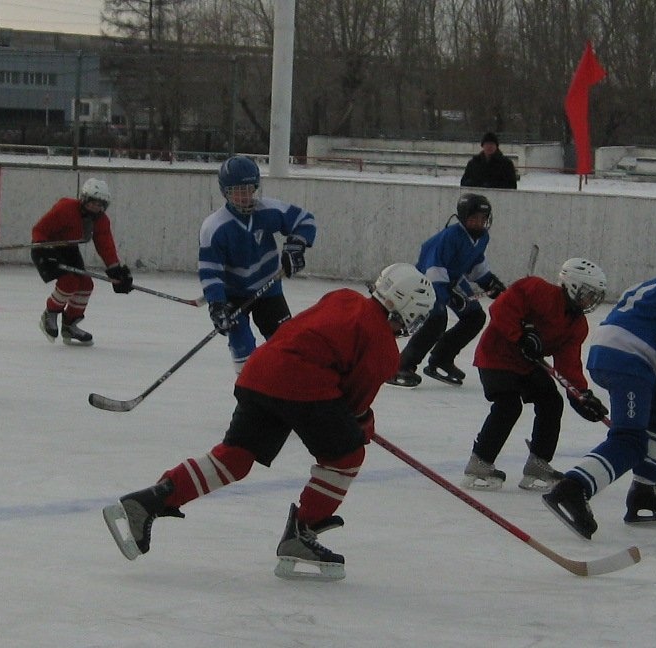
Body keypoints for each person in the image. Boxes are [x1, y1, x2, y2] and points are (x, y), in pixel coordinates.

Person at [102, 263, 436, 581]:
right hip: (302, 385)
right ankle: (303, 531)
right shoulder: (383, 346)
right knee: (346, 457)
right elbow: (354, 405)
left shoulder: (344, 297)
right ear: (407, 307)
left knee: (235, 457)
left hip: (259, 371)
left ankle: (149, 501)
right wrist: (362, 427)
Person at [543, 233, 656, 539]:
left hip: (611, 356)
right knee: (630, 440)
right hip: (631, 363)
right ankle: (573, 488)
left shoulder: (653, 284)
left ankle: (643, 492)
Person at [462, 258, 610, 491]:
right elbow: (500, 308)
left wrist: (582, 396)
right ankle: (480, 461)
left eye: (595, 296)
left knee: (552, 402)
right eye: (588, 293)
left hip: (528, 364)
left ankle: (538, 463)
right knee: (508, 406)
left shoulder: (577, 324)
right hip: (496, 356)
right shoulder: (536, 289)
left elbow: (568, 364)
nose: (591, 300)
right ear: (571, 286)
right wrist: (521, 335)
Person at [199, 155, 317, 373]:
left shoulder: (268, 210)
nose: (244, 196)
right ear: (225, 191)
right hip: (233, 295)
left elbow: (305, 220)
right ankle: (250, 395)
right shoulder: (214, 227)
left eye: (249, 189)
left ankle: (286, 394)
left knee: (287, 347)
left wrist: (295, 246)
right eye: (237, 190)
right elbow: (210, 271)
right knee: (242, 349)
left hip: (268, 289)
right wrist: (216, 304)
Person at [386, 193, 506, 388]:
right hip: (425, 282)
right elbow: (434, 271)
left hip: (452, 281)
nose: (479, 223)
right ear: (463, 217)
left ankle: (442, 358)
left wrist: (491, 284)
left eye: (483, 219)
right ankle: (402, 365)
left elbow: (476, 265)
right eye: (474, 218)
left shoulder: (482, 237)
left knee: (475, 316)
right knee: (436, 319)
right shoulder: (449, 237)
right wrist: (447, 296)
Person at [29, 177, 134, 347]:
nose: (96, 207)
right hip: (47, 249)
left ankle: (70, 325)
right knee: (69, 282)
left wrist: (115, 270)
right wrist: (43, 249)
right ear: (84, 199)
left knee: (86, 285)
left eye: (101, 204)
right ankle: (50, 313)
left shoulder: (101, 221)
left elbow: (105, 245)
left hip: (69, 250)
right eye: (93, 202)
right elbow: (40, 229)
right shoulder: (65, 208)